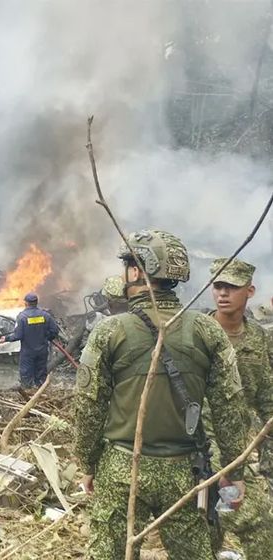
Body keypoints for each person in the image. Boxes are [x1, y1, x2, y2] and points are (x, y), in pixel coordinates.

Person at [73, 229, 249, 560]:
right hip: (186, 471)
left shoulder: (110, 331)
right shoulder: (205, 329)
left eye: (128, 265)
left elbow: (87, 406)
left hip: (122, 470)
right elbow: (230, 407)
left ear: (138, 271)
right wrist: (234, 471)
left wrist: (87, 462)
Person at [206, 258, 273, 558]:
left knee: (240, 526)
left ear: (250, 291)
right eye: (218, 286)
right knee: (243, 521)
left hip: (242, 444)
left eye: (232, 287)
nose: (223, 293)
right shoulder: (198, 333)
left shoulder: (260, 338)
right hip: (201, 444)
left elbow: (267, 396)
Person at [1, 293, 60, 389]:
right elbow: (54, 331)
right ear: (36, 303)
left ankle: (27, 393)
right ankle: (41, 393)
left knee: (26, 374)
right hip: (42, 350)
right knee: (41, 374)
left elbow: (18, 335)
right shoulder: (45, 315)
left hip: (28, 352)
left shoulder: (22, 317)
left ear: (26, 303)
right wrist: (47, 337)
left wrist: (6, 338)